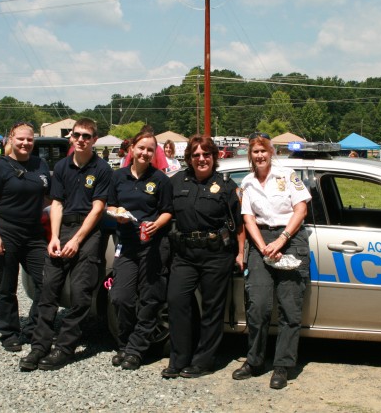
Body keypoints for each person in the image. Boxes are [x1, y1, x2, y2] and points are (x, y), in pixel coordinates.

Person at [19, 118, 112, 372]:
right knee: (48, 290)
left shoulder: (102, 169)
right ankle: (39, 346)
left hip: (89, 233)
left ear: (94, 140)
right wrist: (55, 237)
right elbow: (57, 204)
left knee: (82, 294)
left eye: (86, 136)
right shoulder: (61, 167)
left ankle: (65, 347)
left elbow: (98, 208)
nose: (81, 140)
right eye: (77, 135)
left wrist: (77, 240)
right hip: (64, 229)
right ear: (71, 137)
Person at [232, 132, 311, 390]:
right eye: (255, 151)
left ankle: (282, 366)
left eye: (264, 150)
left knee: (289, 308)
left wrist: (282, 240)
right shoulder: (247, 182)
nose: (260, 155)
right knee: (259, 306)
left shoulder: (288, 176)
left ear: (271, 152)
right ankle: (254, 361)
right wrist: (264, 246)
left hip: (291, 237)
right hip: (261, 240)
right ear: (250, 155)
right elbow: (249, 219)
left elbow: (301, 209)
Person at [162, 135, 244, 379]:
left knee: (211, 309)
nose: (201, 159)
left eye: (206, 154)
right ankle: (178, 359)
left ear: (214, 157)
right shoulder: (176, 182)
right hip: (184, 254)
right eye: (196, 154)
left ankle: (202, 362)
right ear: (189, 158)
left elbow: (239, 224)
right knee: (177, 302)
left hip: (216, 254)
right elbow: (165, 212)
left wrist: (240, 253)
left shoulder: (227, 186)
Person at [0, 122, 50, 352]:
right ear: (11, 139)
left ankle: (32, 327)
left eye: (29, 139)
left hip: (34, 235)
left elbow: (49, 199)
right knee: (6, 286)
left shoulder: (40, 165)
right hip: (6, 232)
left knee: (47, 281)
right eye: (20, 139)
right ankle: (9, 332)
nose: (25, 143)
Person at [107, 131, 173, 370]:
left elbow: (168, 210)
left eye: (150, 149)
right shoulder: (118, 177)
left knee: (149, 299)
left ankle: (135, 350)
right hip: (126, 245)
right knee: (120, 297)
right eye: (141, 148)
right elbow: (111, 204)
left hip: (153, 246)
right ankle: (124, 344)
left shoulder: (161, 179)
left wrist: (157, 223)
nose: (145, 153)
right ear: (132, 148)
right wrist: (116, 214)